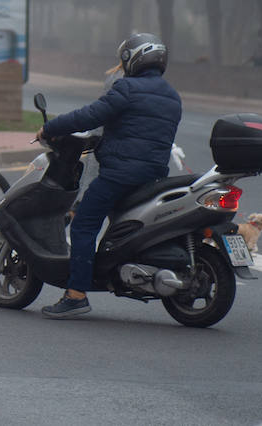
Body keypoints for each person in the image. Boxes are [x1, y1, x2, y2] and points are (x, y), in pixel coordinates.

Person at [38, 32, 181, 320]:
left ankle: (76, 294)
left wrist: (51, 128)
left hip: (120, 174)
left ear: (133, 59)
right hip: (154, 175)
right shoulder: (171, 95)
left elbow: (89, 116)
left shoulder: (127, 88)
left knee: (84, 224)